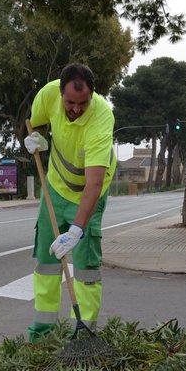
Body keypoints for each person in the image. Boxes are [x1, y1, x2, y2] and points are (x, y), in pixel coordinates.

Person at [22, 62, 116, 342]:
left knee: (86, 267)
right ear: (60, 92)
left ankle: (84, 333)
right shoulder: (48, 94)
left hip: (89, 196)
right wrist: (36, 139)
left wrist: (77, 230)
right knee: (46, 262)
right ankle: (42, 333)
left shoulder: (101, 119)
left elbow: (94, 183)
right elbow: (35, 123)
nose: (76, 109)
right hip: (54, 187)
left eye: (83, 103)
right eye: (70, 102)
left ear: (92, 96)